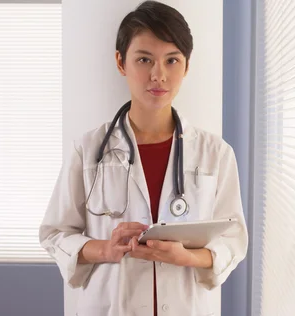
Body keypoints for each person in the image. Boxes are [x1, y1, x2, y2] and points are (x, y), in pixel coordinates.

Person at [38, 1, 248, 315]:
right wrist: (106, 249)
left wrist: (186, 257)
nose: (158, 75)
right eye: (144, 59)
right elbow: (55, 233)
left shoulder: (215, 153)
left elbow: (233, 238)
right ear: (121, 62)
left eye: (172, 60)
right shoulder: (88, 150)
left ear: (186, 66)